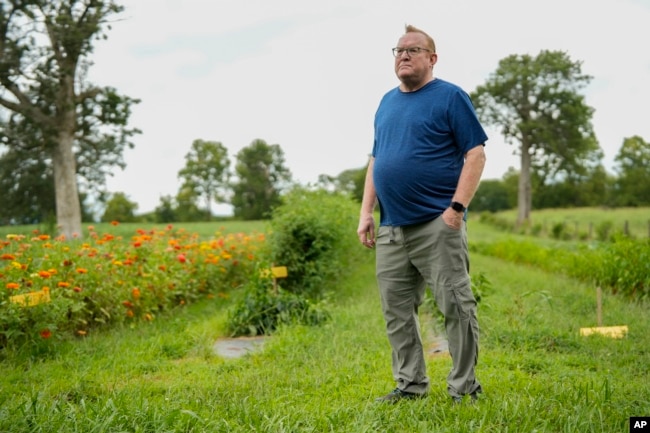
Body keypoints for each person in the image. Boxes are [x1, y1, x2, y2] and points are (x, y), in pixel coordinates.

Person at [357, 24, 487, 404]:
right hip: (391, 228)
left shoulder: (449, 97)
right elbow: (376, 160)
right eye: (398, 50)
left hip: (437, 223)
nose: (404, 55)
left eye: (413, 50)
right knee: (397, 313)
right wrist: (367, 211)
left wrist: (456, 210)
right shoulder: (386, 102)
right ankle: (410, 386)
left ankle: (465, 388)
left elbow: (476, 154)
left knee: (456, 307)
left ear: (432, 58)